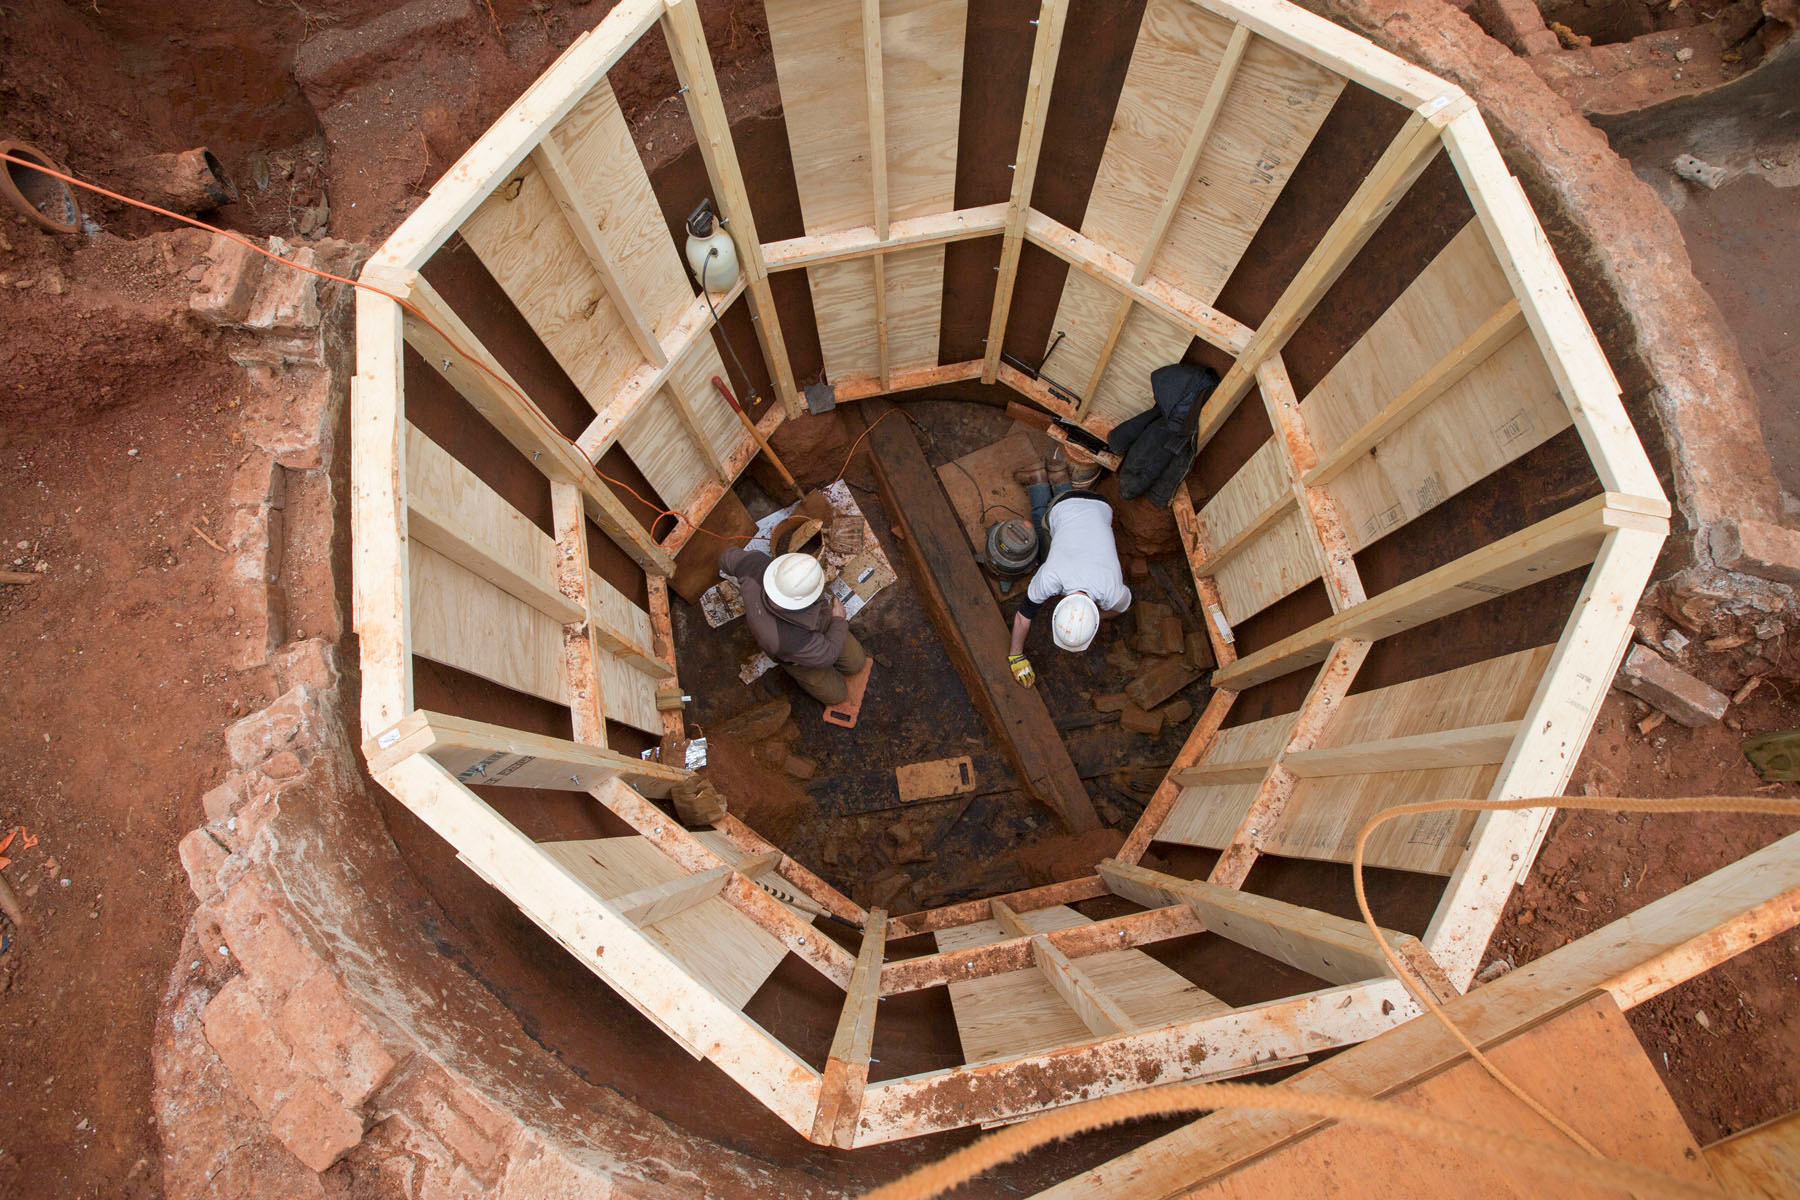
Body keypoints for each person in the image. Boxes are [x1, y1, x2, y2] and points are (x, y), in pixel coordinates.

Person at [1005, 449, 1130, 687]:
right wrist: (1016, 656)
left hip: (1102, 508)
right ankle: (1039, 479)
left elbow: (1024, 617)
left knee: (1067, 523)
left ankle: (1058, 476)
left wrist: (1016, 656)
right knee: (1044, 537)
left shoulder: (1112, 590)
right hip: (1085, 507)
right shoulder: (1052, 575)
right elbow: (1022, 617)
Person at [718, 548, 867, 705]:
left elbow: (726, 557)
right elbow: (827, 655)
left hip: (806, 635)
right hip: (797, 654)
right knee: (838, 695)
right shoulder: (788, 639)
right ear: (799, 600)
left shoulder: (755, 564)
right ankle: (800, 673)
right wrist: (838, 619)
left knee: (856, 663)